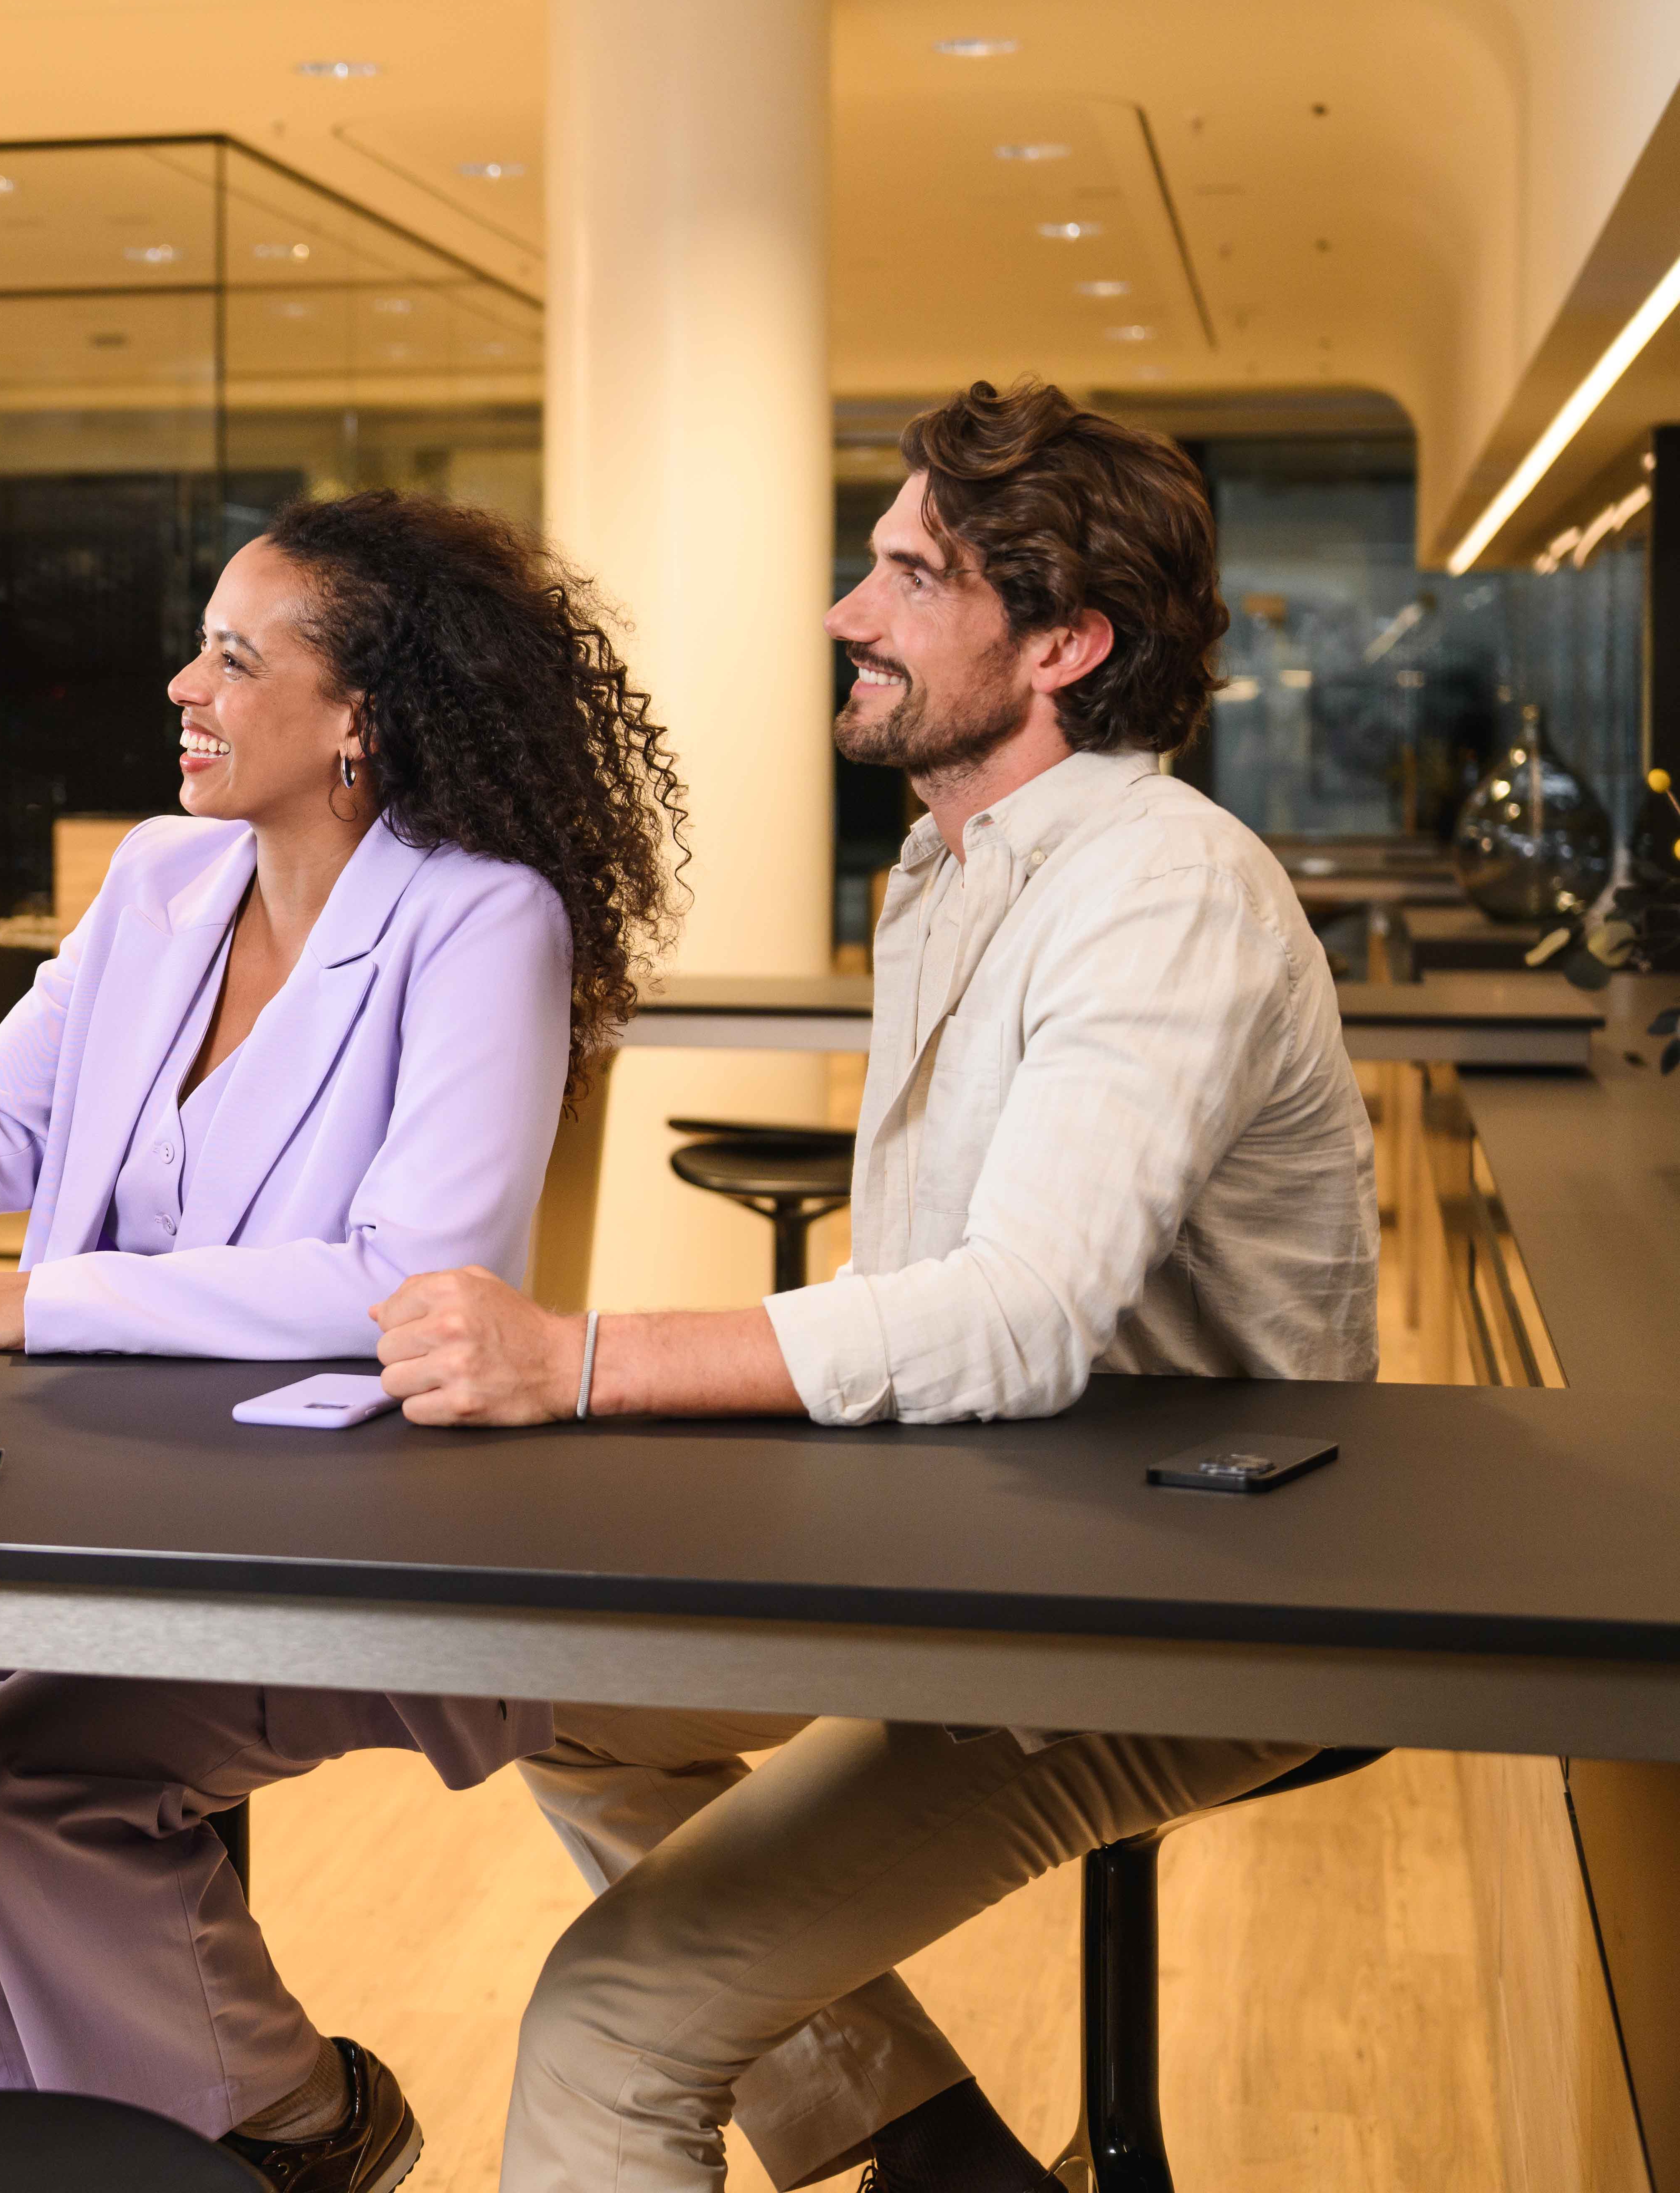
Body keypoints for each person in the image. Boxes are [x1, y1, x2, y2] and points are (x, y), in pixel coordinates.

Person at [0, 492, 687, 2192]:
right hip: (99, 1495)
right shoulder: (165, 880)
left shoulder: (481, 919)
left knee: (29, 1773)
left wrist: (38, 1302)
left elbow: (416, 1274)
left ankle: (281, 2126)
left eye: (236, 658)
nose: (185, 683)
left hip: (348, 1523)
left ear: (361, 718)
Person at [373, 380, 1377, 2193]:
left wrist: (578, 1358)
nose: (851, 611)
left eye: (910, 577)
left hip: (1176, 1613)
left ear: (1065, 643)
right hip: (994, 1550)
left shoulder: (1162, 893)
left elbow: (1013, 1315)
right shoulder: (949, 860)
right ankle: (929, 2149)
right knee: (546, 1697)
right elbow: (930, 1297)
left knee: (609, 2024)